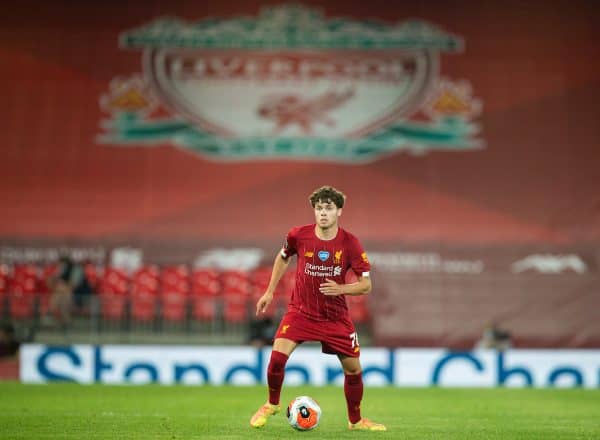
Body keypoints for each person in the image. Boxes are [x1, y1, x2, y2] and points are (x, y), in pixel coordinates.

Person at [249, 186, 386, 431]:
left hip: (335, 317)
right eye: (319, 208)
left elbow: (366, 285)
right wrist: (269, 291)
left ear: (339, 211)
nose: (323, 213)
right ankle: (272, 404)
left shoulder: (350, 243)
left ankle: (355, 421)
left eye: (329, 208)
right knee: (277, 358)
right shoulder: (297, 235)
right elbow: (283, 257)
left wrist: (341, 289)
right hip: (300, 311)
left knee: (354, 370)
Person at [47, 255, 93, 327]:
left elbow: (73, 286)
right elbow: (50, 283)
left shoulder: (77, 269)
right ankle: (65, 321)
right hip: (68, 296)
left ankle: (53, 313)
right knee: (62, 296)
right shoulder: (61, 271)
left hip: (81, 296)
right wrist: (56, 278)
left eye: (61, 265)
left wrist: (61, 286)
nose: (60, 267)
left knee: (62, 294)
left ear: (66, 264)